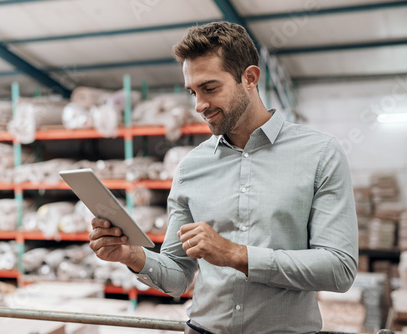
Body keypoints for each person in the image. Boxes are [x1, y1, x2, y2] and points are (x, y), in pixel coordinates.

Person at [89, 21, 358, 334]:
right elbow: (178, 276)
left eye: (210, 88)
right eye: (193, 92)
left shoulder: (320, 153)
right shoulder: (191, 167)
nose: (199, 105)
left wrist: (234, 254)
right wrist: (131, 255)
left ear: (250, 78)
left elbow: (339, 269)